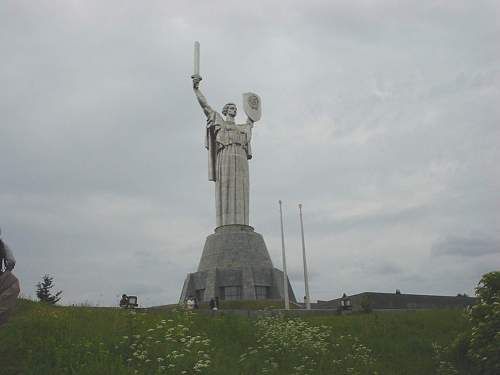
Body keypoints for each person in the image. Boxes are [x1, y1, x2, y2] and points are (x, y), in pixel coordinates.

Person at [192, 74, 255, 227]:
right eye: (231, 107)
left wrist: (252, 116)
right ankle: (225, 225)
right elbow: (205, 106)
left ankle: (241, 223)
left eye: (235, 108)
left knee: (241, 190)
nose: (234, 110)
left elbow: (252, 120)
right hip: (225, 156)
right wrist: (196, 89)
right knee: (225, 188)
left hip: (240, 158)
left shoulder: (242, 128)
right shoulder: (218, 120)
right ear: (226, 110)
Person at [0, 228, 20, 325]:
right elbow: (11, 261)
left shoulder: (3, 246)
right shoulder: (3, 245)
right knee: (13, 284)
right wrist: (7, 272)